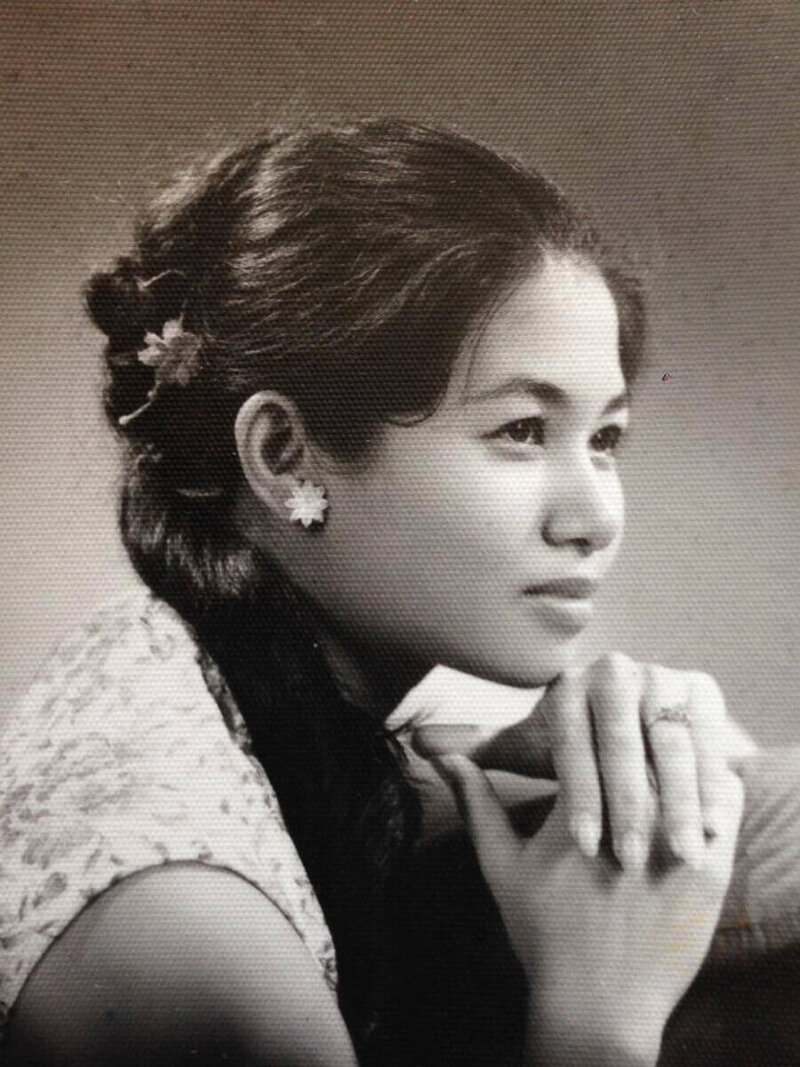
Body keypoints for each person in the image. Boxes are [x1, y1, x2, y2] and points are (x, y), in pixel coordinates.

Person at [1, 119, 757, 1066]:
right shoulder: (194, 942)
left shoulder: (176, 652)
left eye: (604, 438)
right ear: (285, 456)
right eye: (522, 430)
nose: (595, 519)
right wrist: (598, 1019)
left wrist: (631, 735)